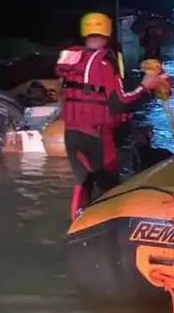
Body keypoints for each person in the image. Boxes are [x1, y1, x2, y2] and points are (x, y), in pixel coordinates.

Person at [56, 12, 162, 220]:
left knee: (83, 181)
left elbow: (68, 93)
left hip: (71, 134)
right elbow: (119, 101)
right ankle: (110, 226)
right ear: (108, 33)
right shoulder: (106, 61)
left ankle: (78, 223)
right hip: (96, 136)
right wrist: (144, 86)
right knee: (110, 187)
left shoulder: (72, 59)